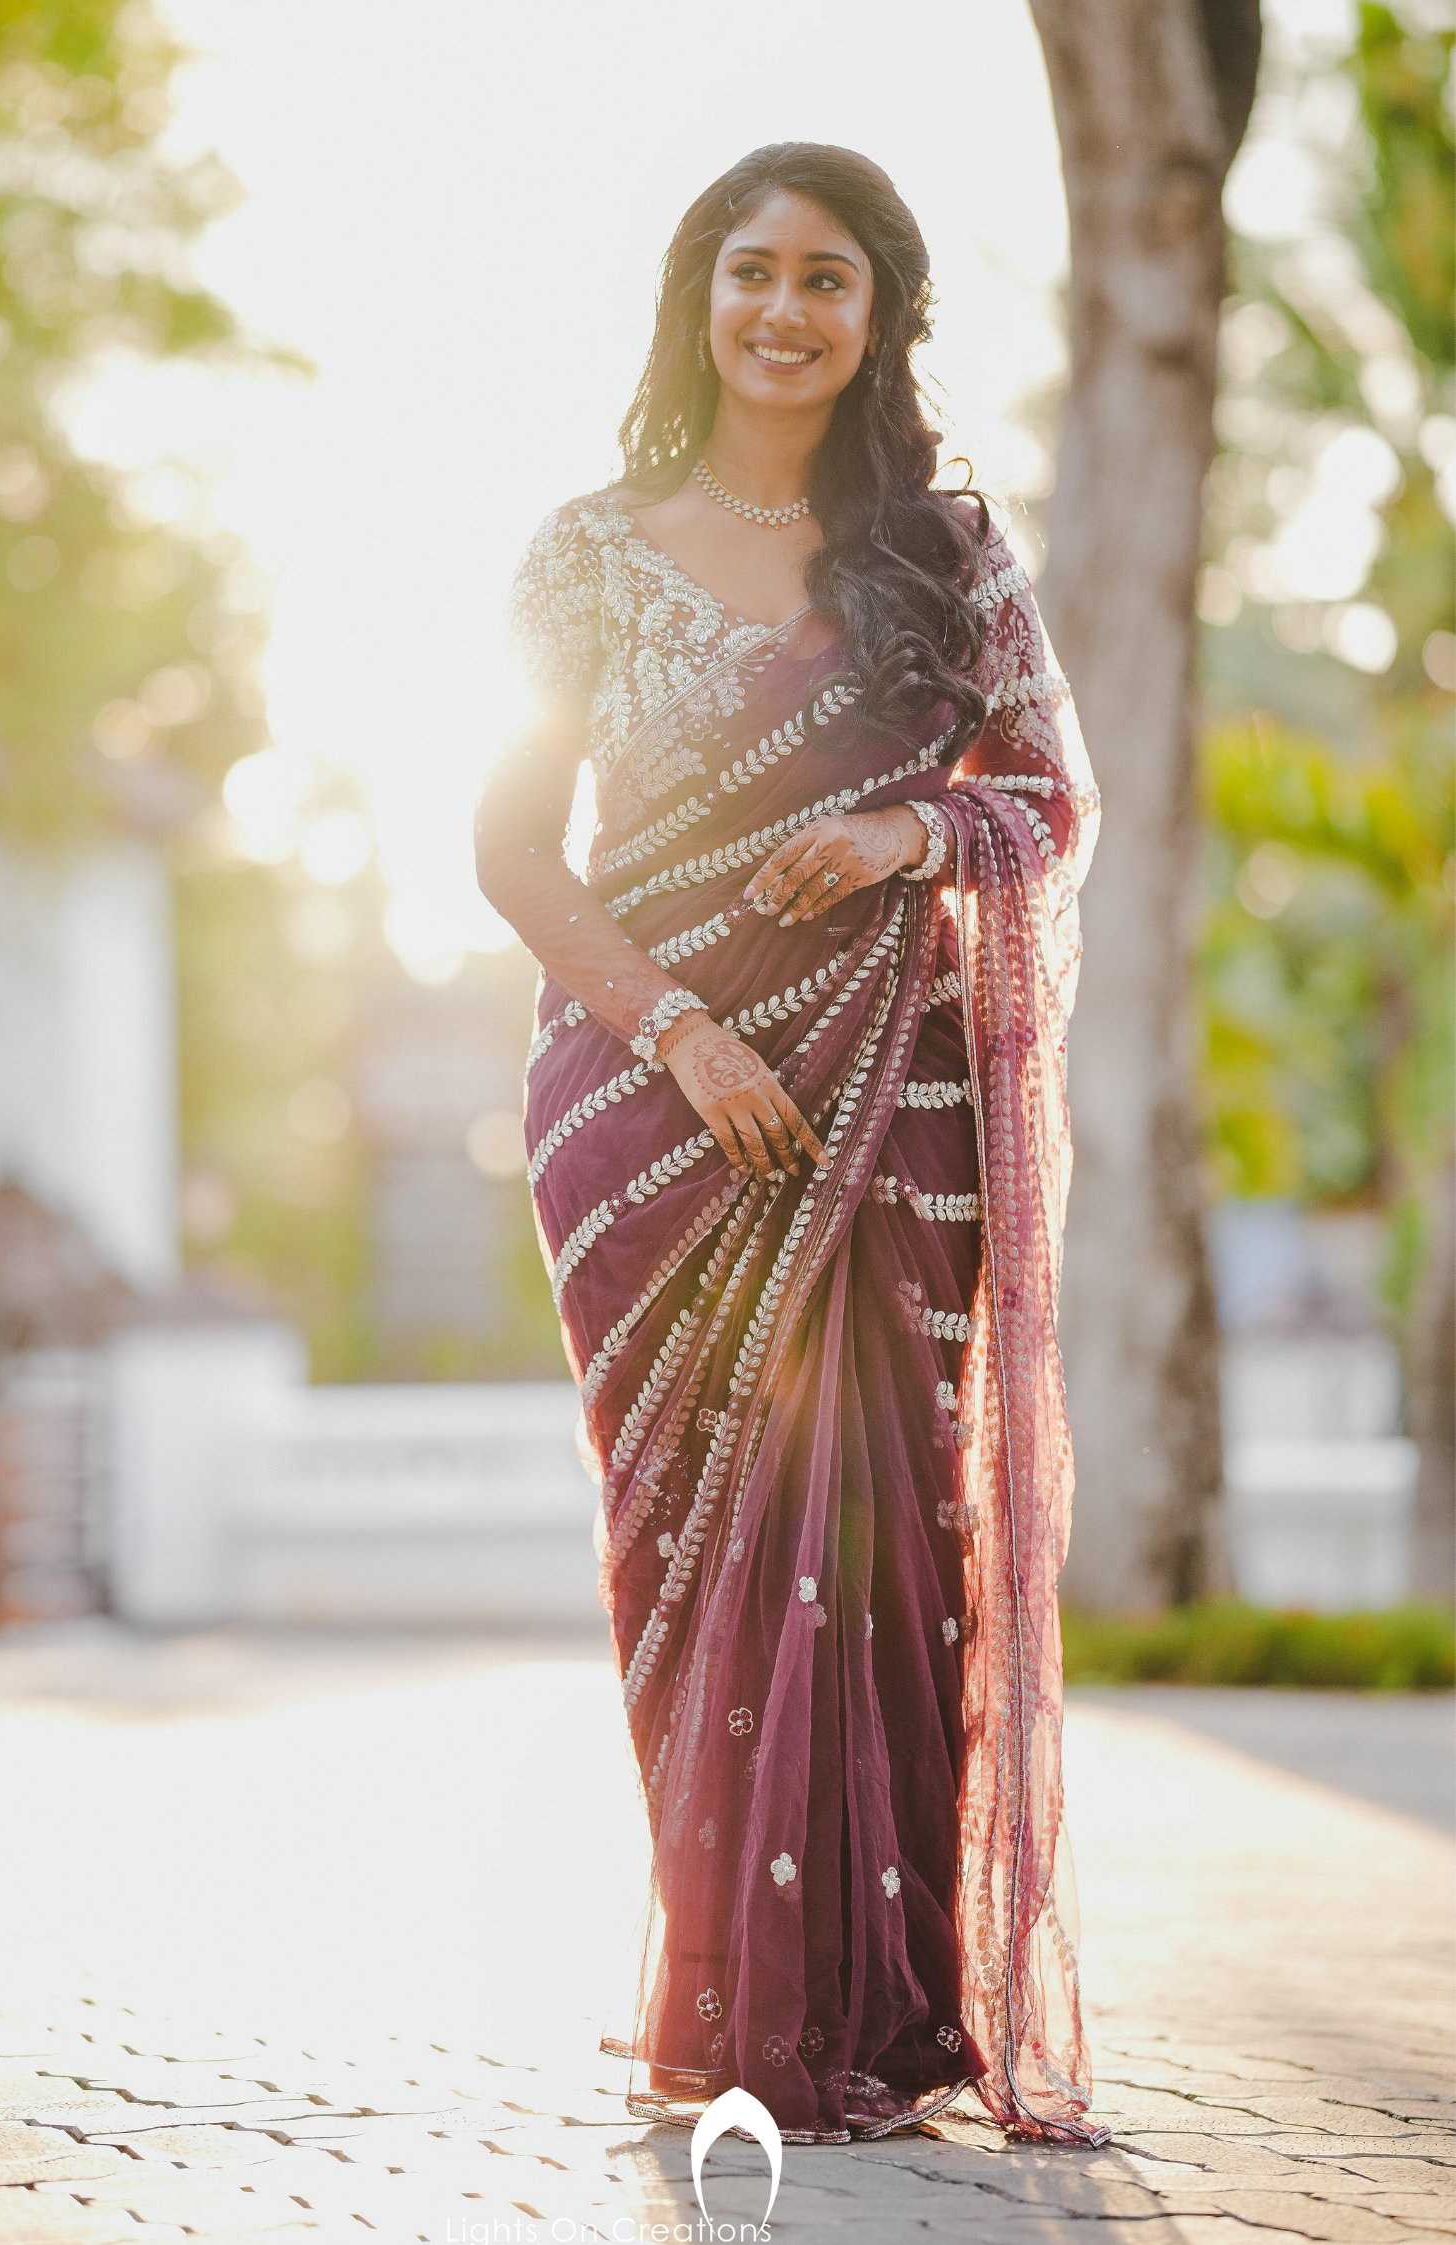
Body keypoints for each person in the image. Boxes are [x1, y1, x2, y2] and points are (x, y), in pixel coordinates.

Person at [474, 141, 1104, 2147]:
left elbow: (1047, 800)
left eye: (825, 278)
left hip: (879, 1110)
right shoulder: (584, 550)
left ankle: (869, 2013)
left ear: (877, 318)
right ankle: (719, 1990)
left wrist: (907, 834)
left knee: (880, 1539)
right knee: (690, 1545)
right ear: (698, 297)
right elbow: (505, 844)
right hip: (639, 1107)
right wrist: (672, 1030)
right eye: (749, 270)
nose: (781, 308)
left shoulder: (939, 555)